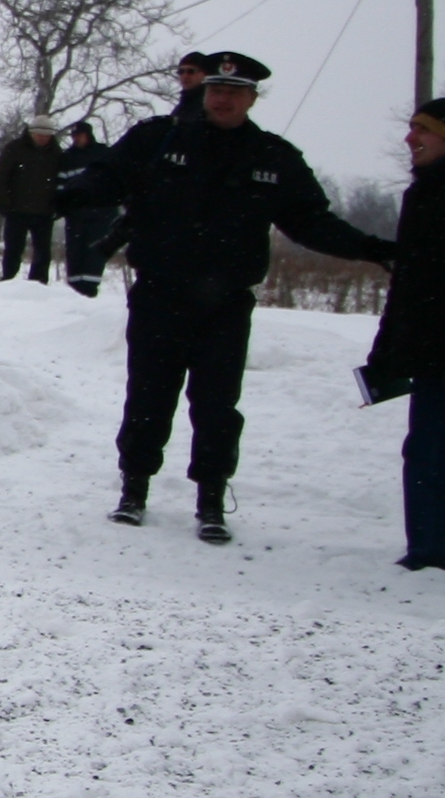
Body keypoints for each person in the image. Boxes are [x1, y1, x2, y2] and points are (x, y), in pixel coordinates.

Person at [59, 51, 394, 542]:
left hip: (225, 304)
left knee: (217, 405)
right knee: (148, 396)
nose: (223, 99)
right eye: (216, 90)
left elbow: (310, 222)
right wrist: (61, 196)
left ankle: (211, 498)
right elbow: (107, 177)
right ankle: (134, 489)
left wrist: (373, 249)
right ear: (204, 93)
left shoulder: (272, 156)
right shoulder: (160, 139)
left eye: (234, 93)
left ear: (252, 99)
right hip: (159, 295)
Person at [362, 100, 445, 569]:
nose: (410, 139)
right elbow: (409, 280)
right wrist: (386, 350)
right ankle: (429, 549)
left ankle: (431, 551)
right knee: (428, 450)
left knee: (431, 451)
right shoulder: (423, 194)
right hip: (432, 350)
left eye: (423, 130)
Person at [0, 113, 66, 283]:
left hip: (44, 212)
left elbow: (62, 182)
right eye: (40, 134)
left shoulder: (56, 154)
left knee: (42, 252)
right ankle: (8, 282)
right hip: (16, 210)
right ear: (32, 133)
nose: (43, 138)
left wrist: (58, 206)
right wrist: (3, 204)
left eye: (47, 135)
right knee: (13, 249)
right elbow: (1, 177)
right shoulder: (14, 149)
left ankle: (38, 284)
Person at [59, 119, 120, 296]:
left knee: (94, 252)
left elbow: (117, 180)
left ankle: (89, 290)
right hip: (76, 215)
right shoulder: (67, 158)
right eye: (74, 136)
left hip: (102, 213)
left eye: (80, 135)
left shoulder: (103, 153)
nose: (76, 139)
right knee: (74, 253)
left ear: (88, 135)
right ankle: (74, 291)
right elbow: (61, 185)